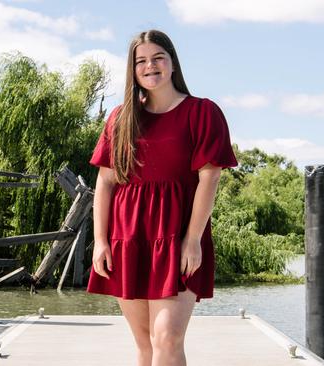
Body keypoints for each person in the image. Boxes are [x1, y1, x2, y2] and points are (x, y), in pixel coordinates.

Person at [86, 29, 237, 366]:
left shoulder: (202, 112)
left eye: (158, 58)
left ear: (172, 63)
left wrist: (193, 239)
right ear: (132, 69)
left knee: (167, 337)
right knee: (145, 344)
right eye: (141, 61)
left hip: (178, 235)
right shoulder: (121, 118)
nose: (150, 66)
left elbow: (209, 178)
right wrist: (100, 241)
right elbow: (106, 182)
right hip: (129, 237)